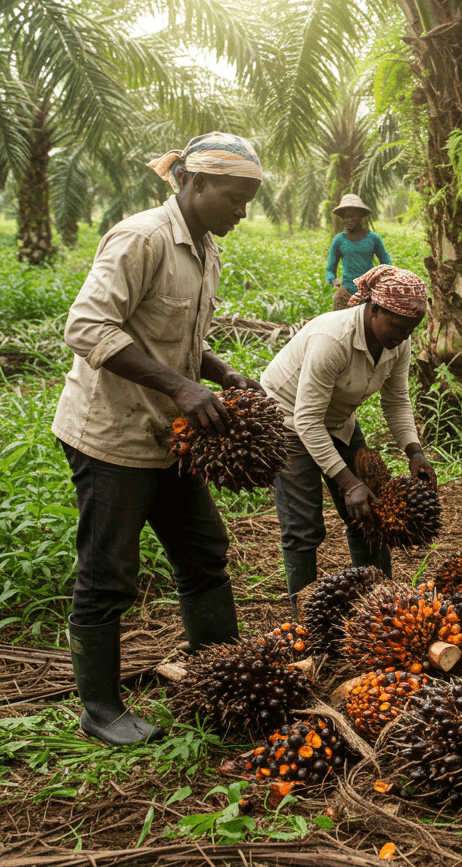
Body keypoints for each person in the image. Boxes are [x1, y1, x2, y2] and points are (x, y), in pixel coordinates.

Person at [51, 132, 264, 746]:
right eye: (234, 197)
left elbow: (175, 339)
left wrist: (216, 373)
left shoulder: (206, 250)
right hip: (112, 435)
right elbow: (86, 325)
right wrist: (183, 389)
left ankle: (219, 673)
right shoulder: (142, 237)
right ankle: (99, 708)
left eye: (248, 199)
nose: (243, 212)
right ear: (195, 184)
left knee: (204, 553)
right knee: (108, 571)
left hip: (168, 436)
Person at [261, 265, 437, 612]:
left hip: (337, 419)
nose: (403, 336)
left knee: (371, 511)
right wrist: (347, 482)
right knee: (303, 528)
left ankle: (381, 605)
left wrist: (414, 452)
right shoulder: (333, 340)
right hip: (288, 421)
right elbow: (306, 420)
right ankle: (305, 619)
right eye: (398, 326)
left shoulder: (396, 340)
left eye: (410, 330)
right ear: (373, 309)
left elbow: (396, 400)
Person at [326, 194, 391, 309]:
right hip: (346, 292)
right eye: (346, 217)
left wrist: (381, 280)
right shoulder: (338, 240)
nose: (348, 220)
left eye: (352, 217)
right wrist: (333, 280)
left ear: (360, 217)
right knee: (342, 324)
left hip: (369, 292)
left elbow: (386, 263)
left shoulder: (373, 239)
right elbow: (330, 269)